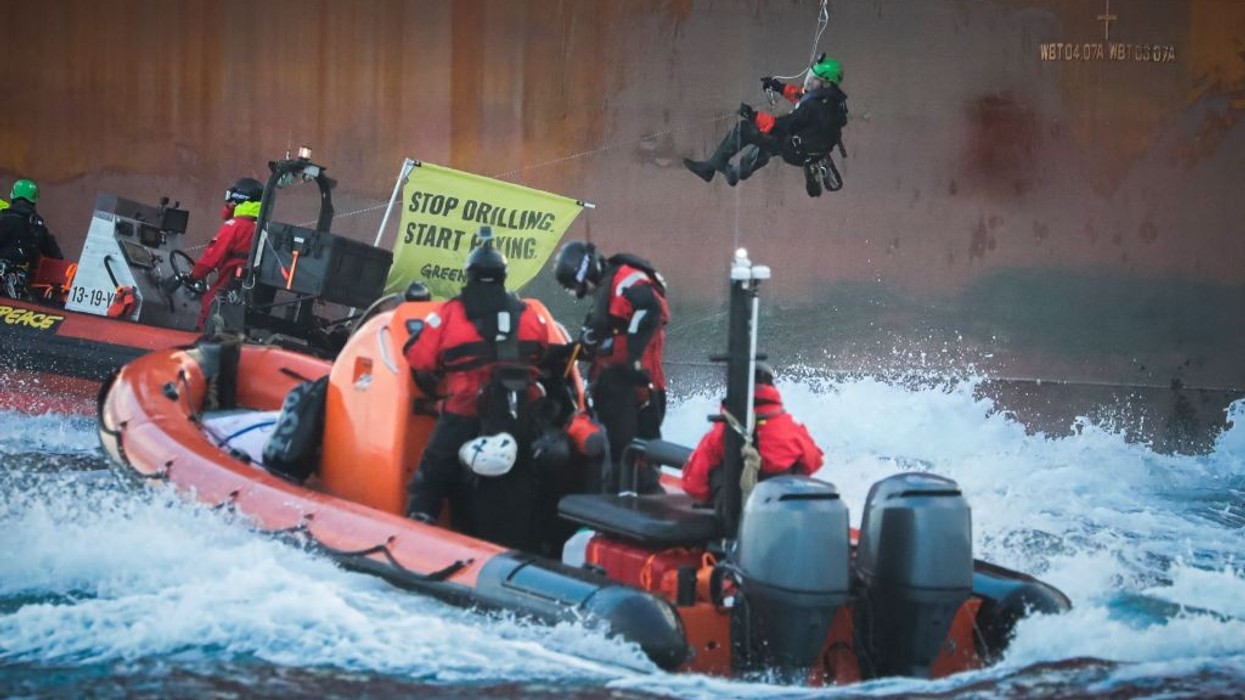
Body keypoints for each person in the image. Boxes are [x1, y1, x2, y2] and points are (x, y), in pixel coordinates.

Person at [404, 231, 556, 550]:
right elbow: (546, 352)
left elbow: (419, 356)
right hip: (519, 416)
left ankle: (419, 530)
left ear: (470, 274)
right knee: (524, 480)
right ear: (503, 275)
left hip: (465, 410)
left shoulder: (450, 313)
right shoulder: (530, 315)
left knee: (434, 471)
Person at [553, 240, 669, 493]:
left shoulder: (625, 280)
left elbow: (651, 310)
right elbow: (594, 344)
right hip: (615, 392)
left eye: (579, 285)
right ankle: (620, 491)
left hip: (638, 392)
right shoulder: (605, 297)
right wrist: (559, 353)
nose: (582, 291)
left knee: (636, 461)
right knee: (615, 456)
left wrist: (632, 361)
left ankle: (639, 499)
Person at [683, 55, 848, 197]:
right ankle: (734, 174)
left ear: (826, 83)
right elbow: (804, 98)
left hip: (795, 150)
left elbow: (782, 125)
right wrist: (779, 87)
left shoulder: (816, 108)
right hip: (809, 150)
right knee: (766, 144)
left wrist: (752, 116)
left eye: (815, 79)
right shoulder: (832, 103)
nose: (810, 81)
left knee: (747, 130)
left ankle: (711, 166)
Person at [681, 362, 823, 509]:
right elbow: (814, 461)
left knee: (714, 470)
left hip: (737, 515)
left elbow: (693, 484)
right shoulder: (792, 428)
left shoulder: (722, 432)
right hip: (784, 510)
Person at [187, 177, 263, 329]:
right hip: (247, 286)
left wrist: (193, 276)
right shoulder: (260, 226)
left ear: (240, 199)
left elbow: (211, 258)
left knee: (209, 304)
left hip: (229, 280)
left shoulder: (234, 226)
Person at [0, 179, 63, 299]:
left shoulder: (4, 219)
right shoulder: (38, 226)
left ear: (13, 195)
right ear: (34, 200)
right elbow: (56, 256)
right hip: (22, 285)